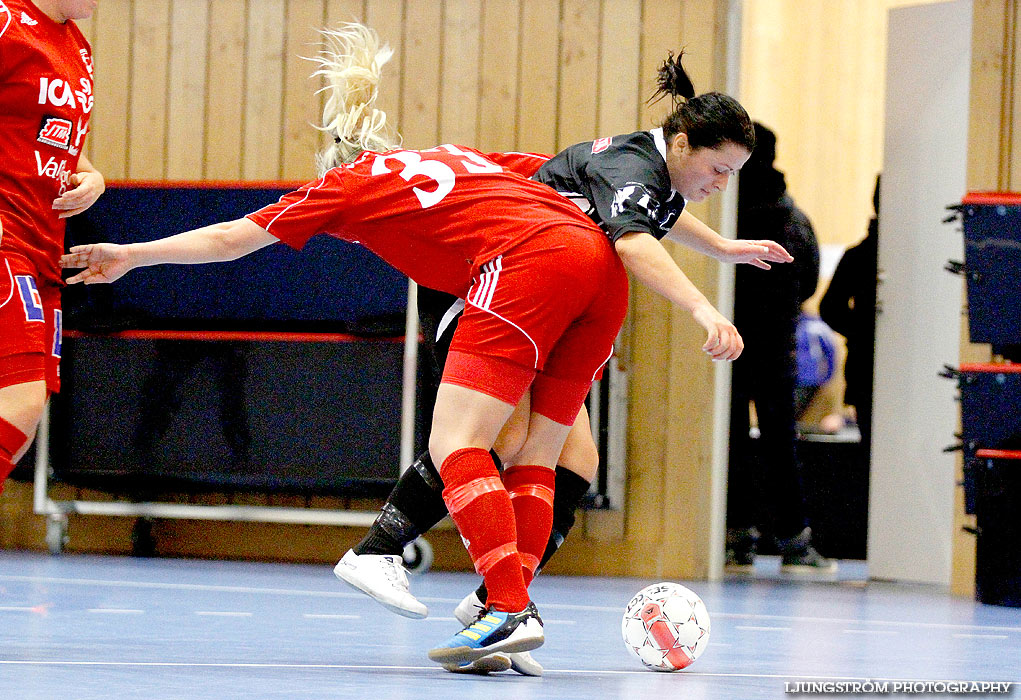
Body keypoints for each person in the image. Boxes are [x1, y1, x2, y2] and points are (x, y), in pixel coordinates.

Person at [60, 23, 746, 672]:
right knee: (543, 452)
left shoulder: (344, 188)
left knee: (459, 446)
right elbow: (577, 176)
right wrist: (719, 252)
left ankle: (492, 600)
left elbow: (228, 240)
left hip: (523, 270)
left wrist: (131, 254)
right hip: (598, 275)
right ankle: (499, 608)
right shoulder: (458, 155)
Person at [334, 48, 790, 674]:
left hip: (547, 294)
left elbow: (660, 213)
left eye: (733, 173)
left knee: (577, 457)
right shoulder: (632, 164)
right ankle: (398, 556)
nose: (722, 184)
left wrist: (722, 247)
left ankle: (499, 605)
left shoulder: (650, 167)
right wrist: (703, 309)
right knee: (504, 434)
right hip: (486, 284)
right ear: (682, 144)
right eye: (718, 168)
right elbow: (633, 241)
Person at [0, 0, 104, 494]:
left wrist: (93, 177)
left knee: (27, 416)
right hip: (8, 240)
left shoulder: (77, 48)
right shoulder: (6, 22)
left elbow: (56, 137)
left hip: (46, 251)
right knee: (17, 405)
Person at [724, 122, 834, 573]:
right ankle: (793, 542)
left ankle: (734, 540)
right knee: (779, 441)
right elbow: (808, 280)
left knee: (727, 440)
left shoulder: (722, 209)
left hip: (725, 342)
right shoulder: (790, 214)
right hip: (775, 343)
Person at [820, 174, 880, 455]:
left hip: (863, 364)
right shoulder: (862, 255)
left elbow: (830, 308)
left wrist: (862, 333)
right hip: (867, 365)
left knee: (870, 450)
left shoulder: (859, 254)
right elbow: (830, 308)